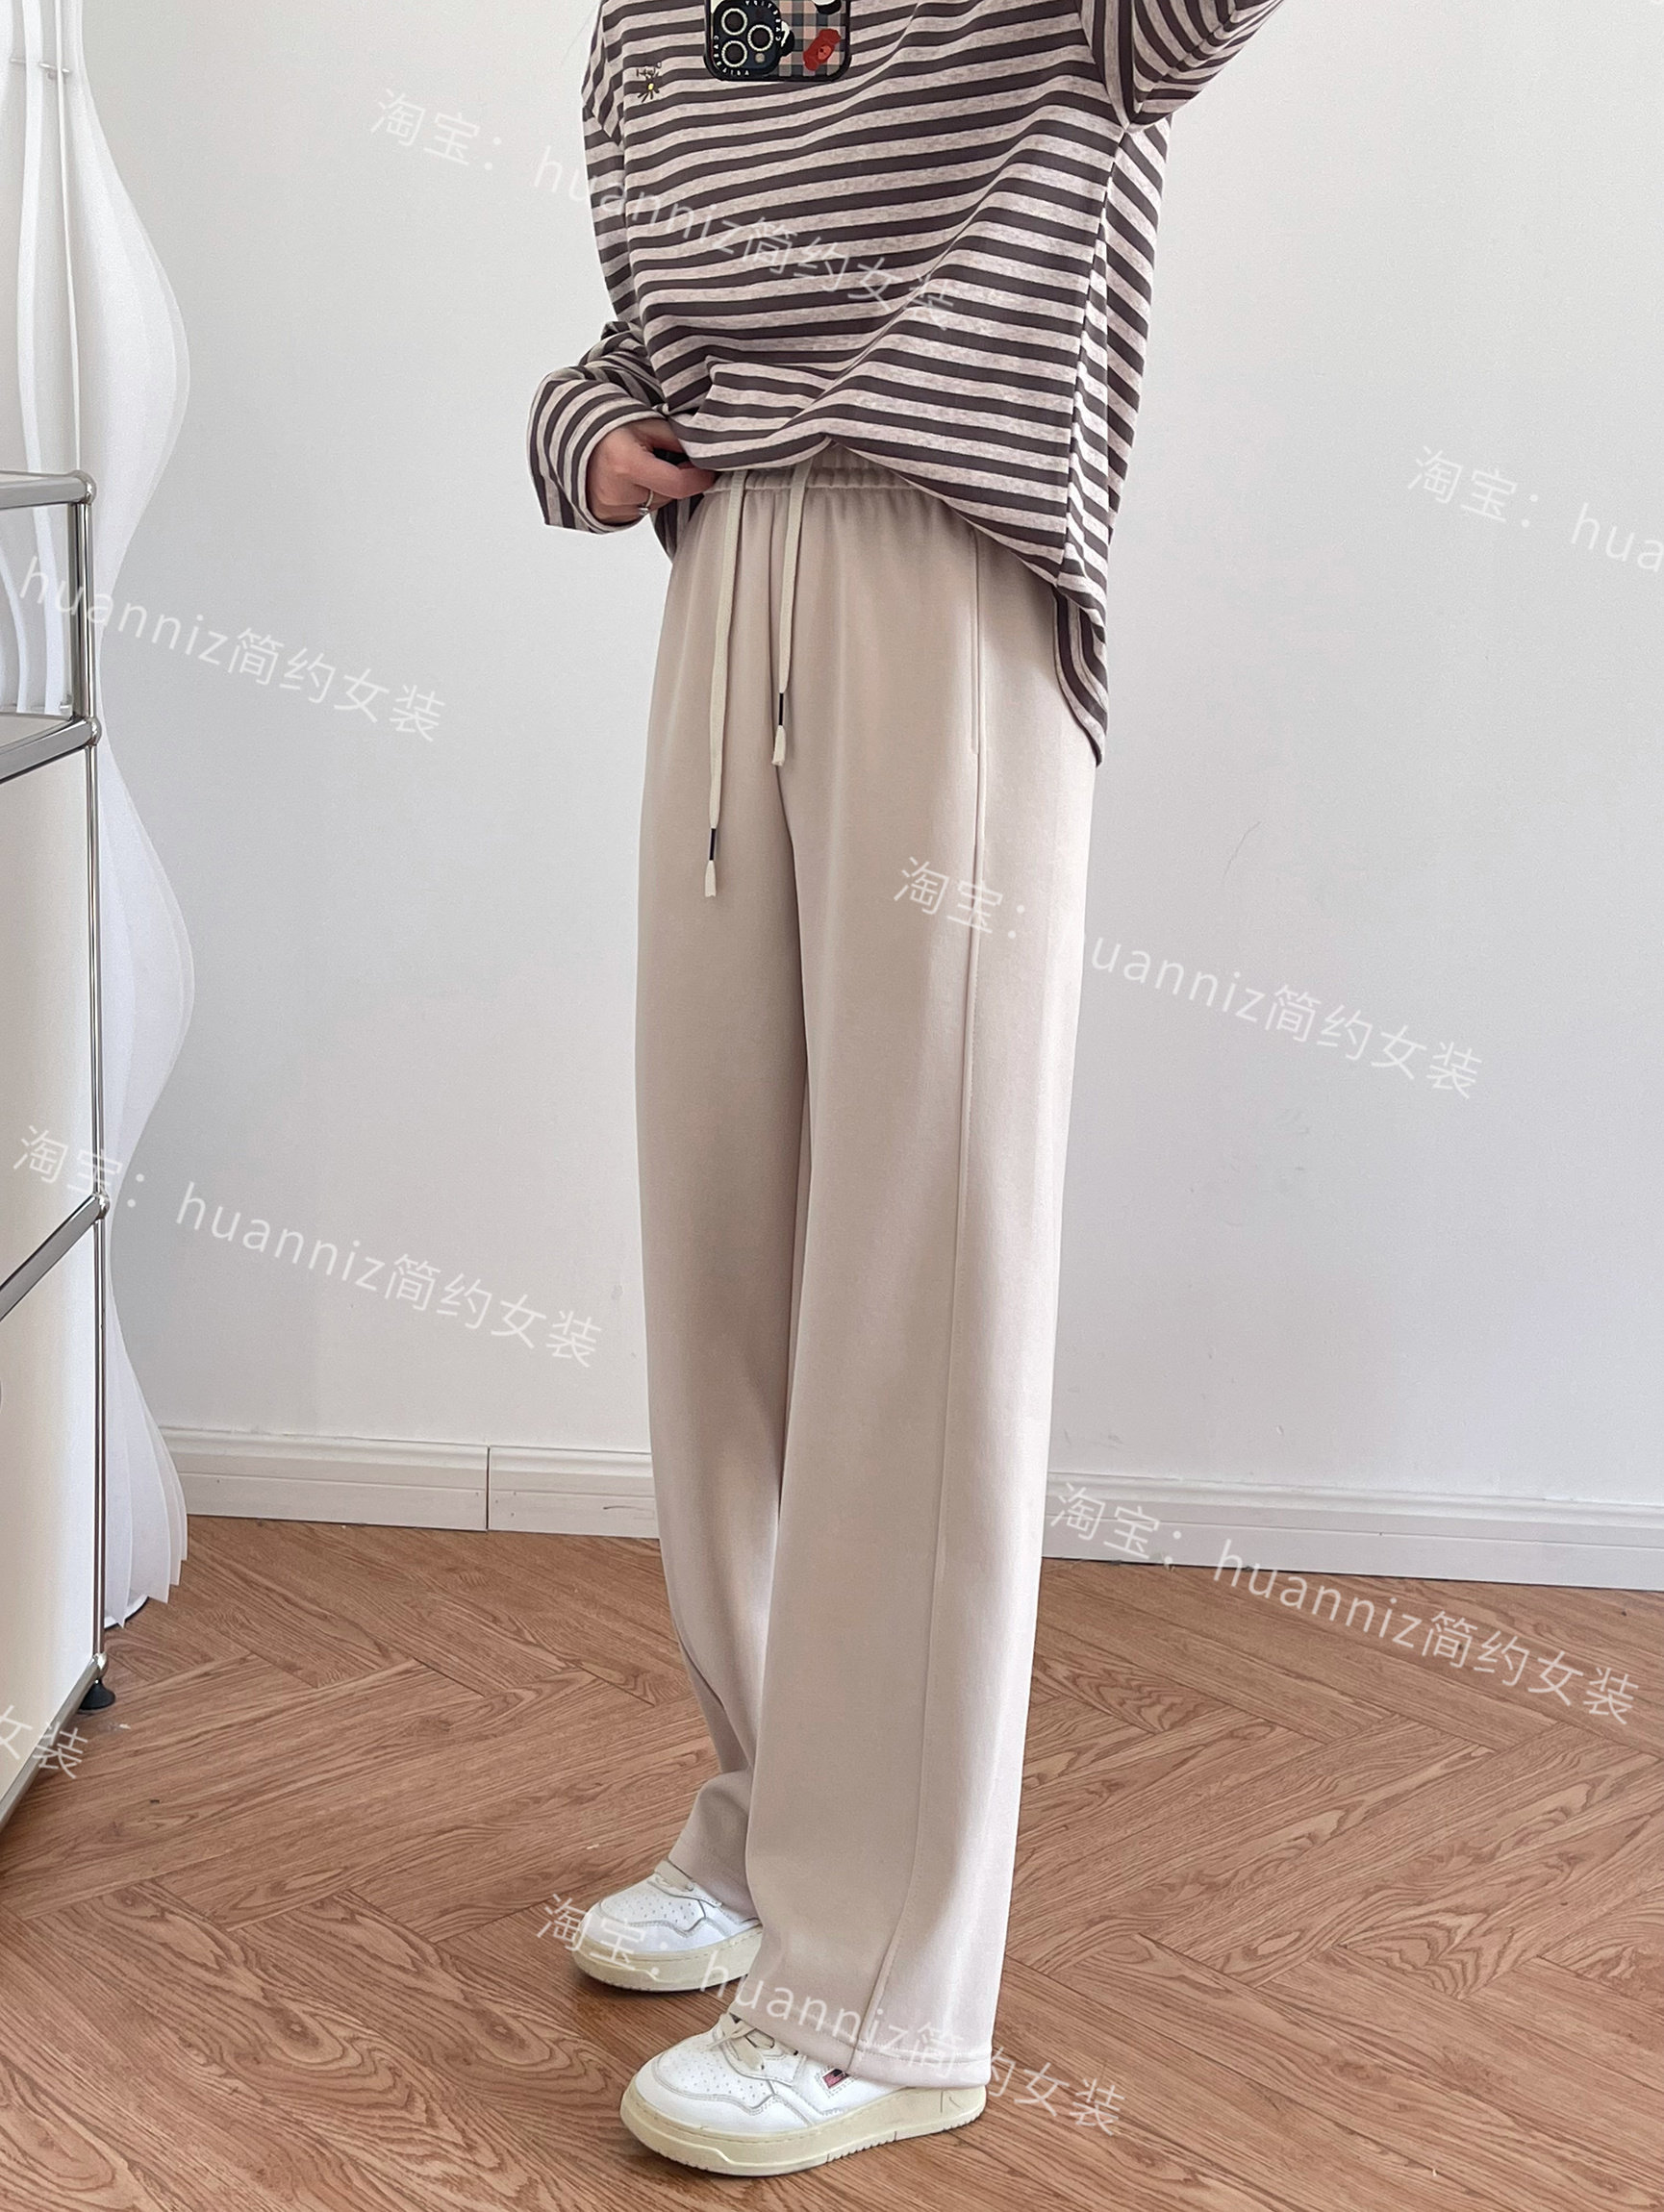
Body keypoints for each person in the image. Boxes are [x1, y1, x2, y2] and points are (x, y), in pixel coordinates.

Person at [528, 0, 1291, 2175]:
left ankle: (887, 1996)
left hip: (950, 594)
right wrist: (585, 426)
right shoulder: (651, 28)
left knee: (914, 1289)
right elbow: (641, 333)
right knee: (724, 1256)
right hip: (724, 593)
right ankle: (774, 1820)